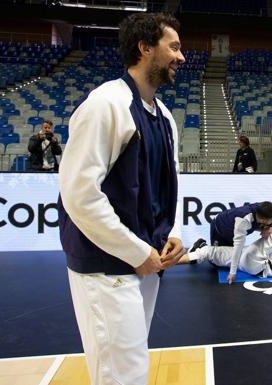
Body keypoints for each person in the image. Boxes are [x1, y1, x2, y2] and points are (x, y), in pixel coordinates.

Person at [57, 13, 185, 385]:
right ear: (145, 48)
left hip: (146, 261)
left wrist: (171, 233)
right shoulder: (105, 105)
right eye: (173, 47)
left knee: (130, 367)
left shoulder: (164, 116)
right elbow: (79, 195)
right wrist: (136, 251)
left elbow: (166, 188)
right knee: (121, 376)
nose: (181, 57)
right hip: (106, 268)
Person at [179, 218, 272, 278]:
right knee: (208, 252)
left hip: (257, 264)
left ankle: (168, 262)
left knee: (207, 252)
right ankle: (168, 261)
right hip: (260, 270)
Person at [207, 201, 272, 284]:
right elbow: (237, 247)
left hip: (247, 224)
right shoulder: (243, 221)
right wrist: (232, 272)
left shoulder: (264, 209)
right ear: (263, 220)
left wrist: (268, 228)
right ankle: (201, 246)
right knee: (216, 262)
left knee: (269, 230)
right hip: (220, 229)